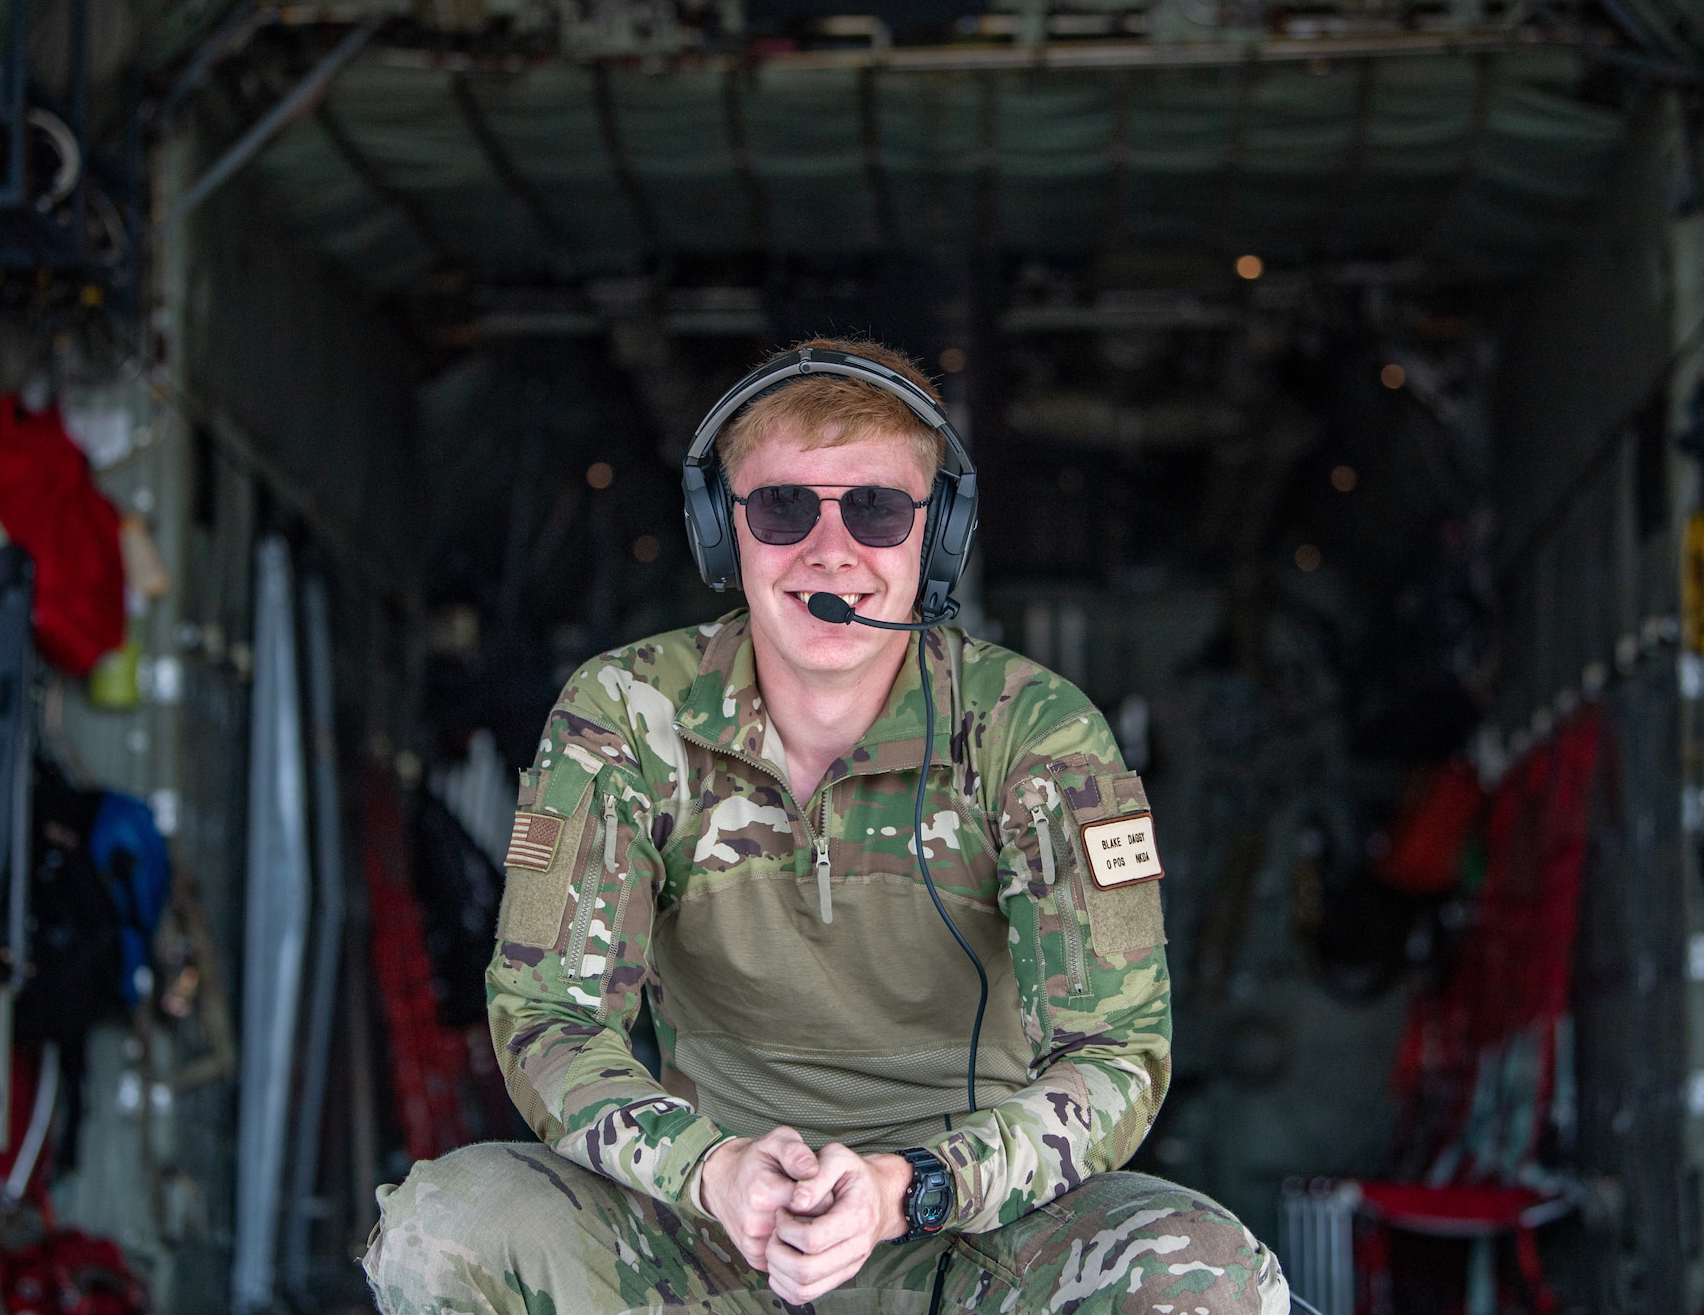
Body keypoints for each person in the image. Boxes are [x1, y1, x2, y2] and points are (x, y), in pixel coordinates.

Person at [364, 337, 1287, 1314]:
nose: (830, 550)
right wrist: (707, 1168)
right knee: (441, 1228)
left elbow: (1116, 1052)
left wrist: (913, 1186)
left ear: (936, 539)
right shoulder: (627, 713)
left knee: (1206, 1275)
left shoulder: (1034, 732)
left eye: (878, 510)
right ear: (721, 531)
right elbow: (549, 1017)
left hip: (969, 1242)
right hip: (709, 1234)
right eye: (782, 506)